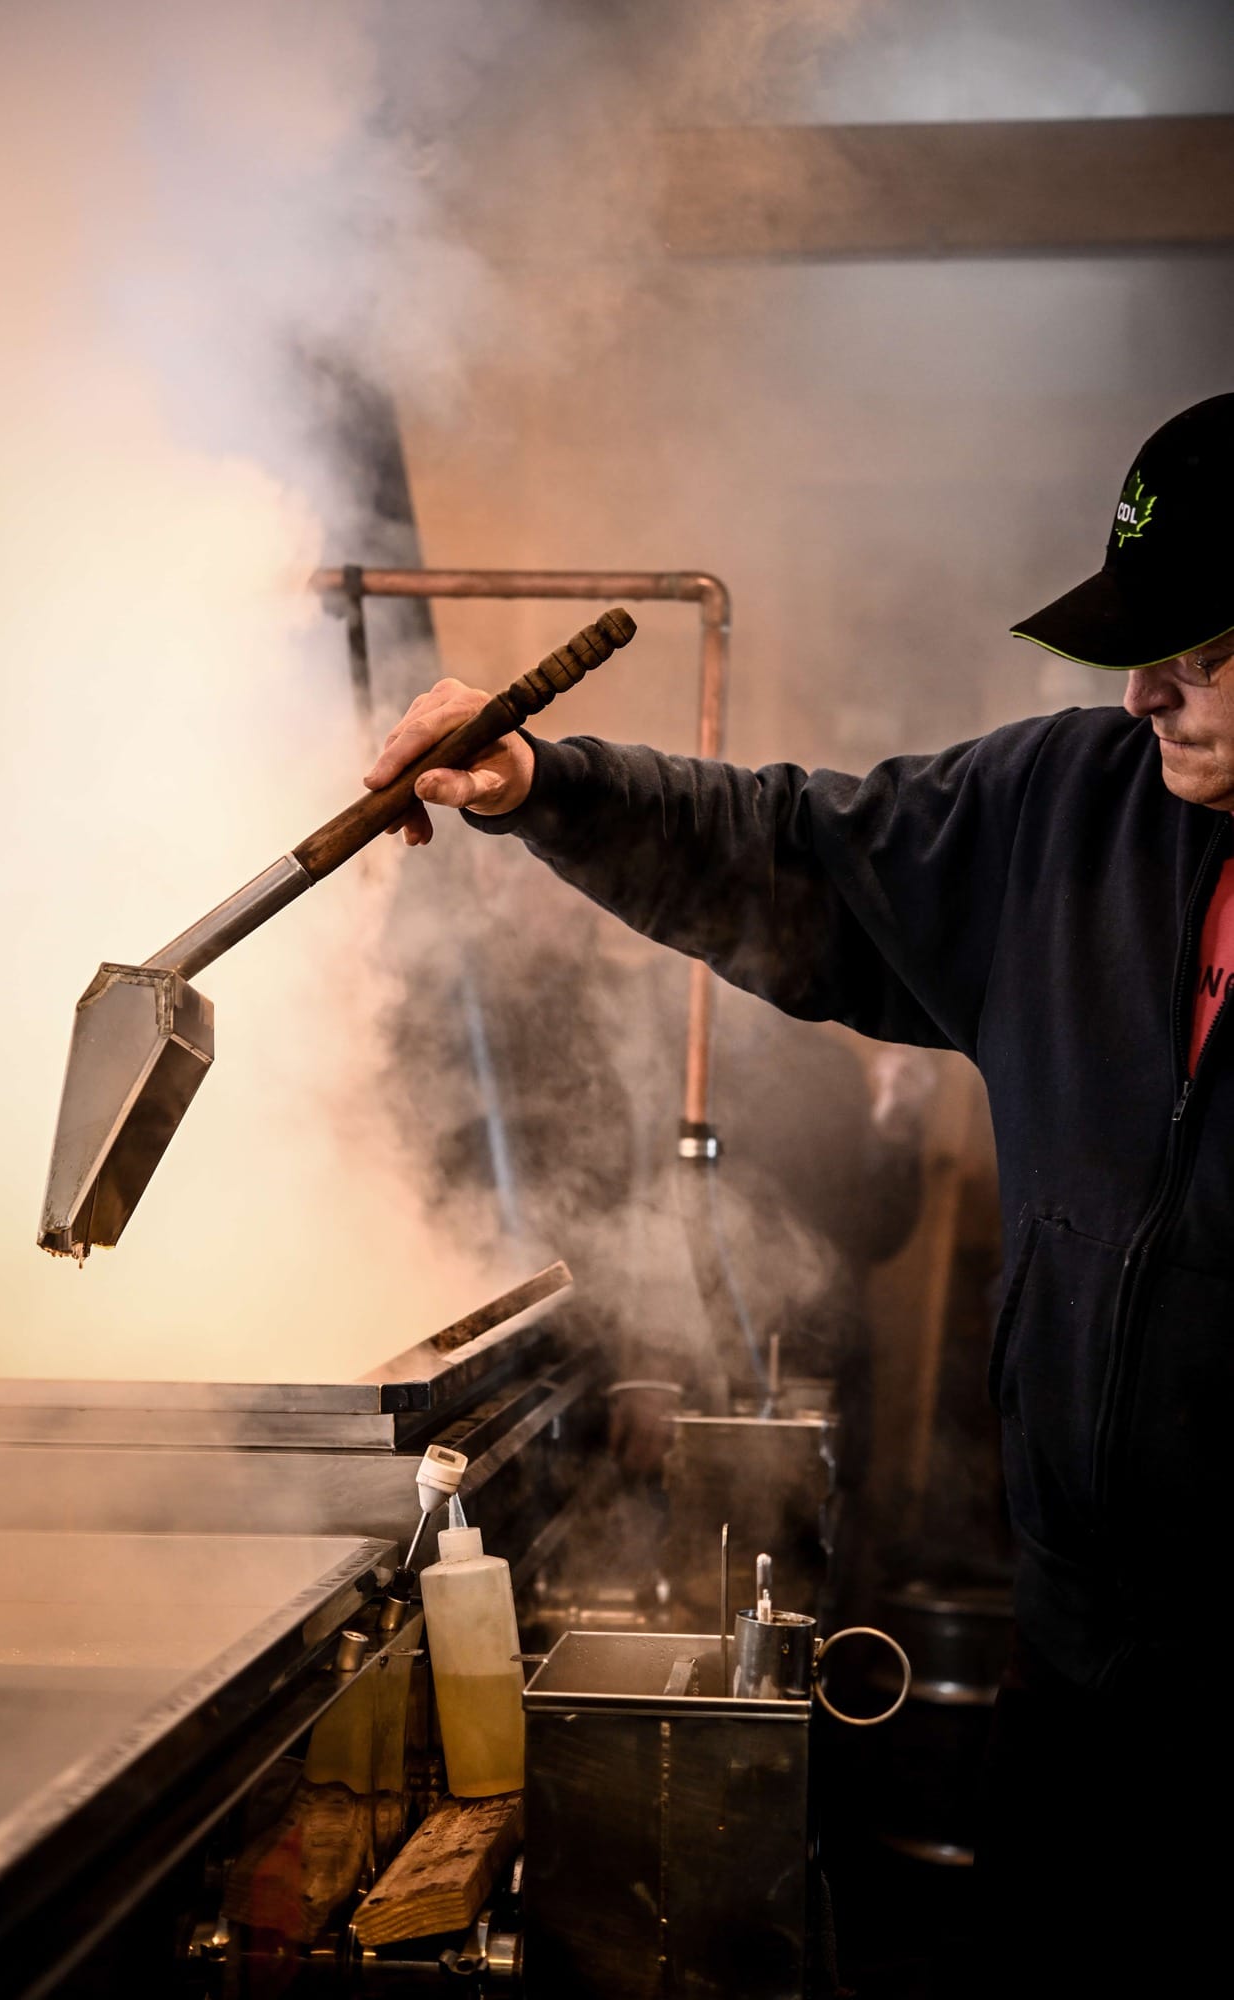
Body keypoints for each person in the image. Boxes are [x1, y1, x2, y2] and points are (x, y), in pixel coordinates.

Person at [364, 393, 1234, 1992]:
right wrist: (544, 783)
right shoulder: (1074, 809)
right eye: (1138, 642)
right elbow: (799, 850)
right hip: (1080, 1658)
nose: (1142, 689)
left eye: (1200, 646)